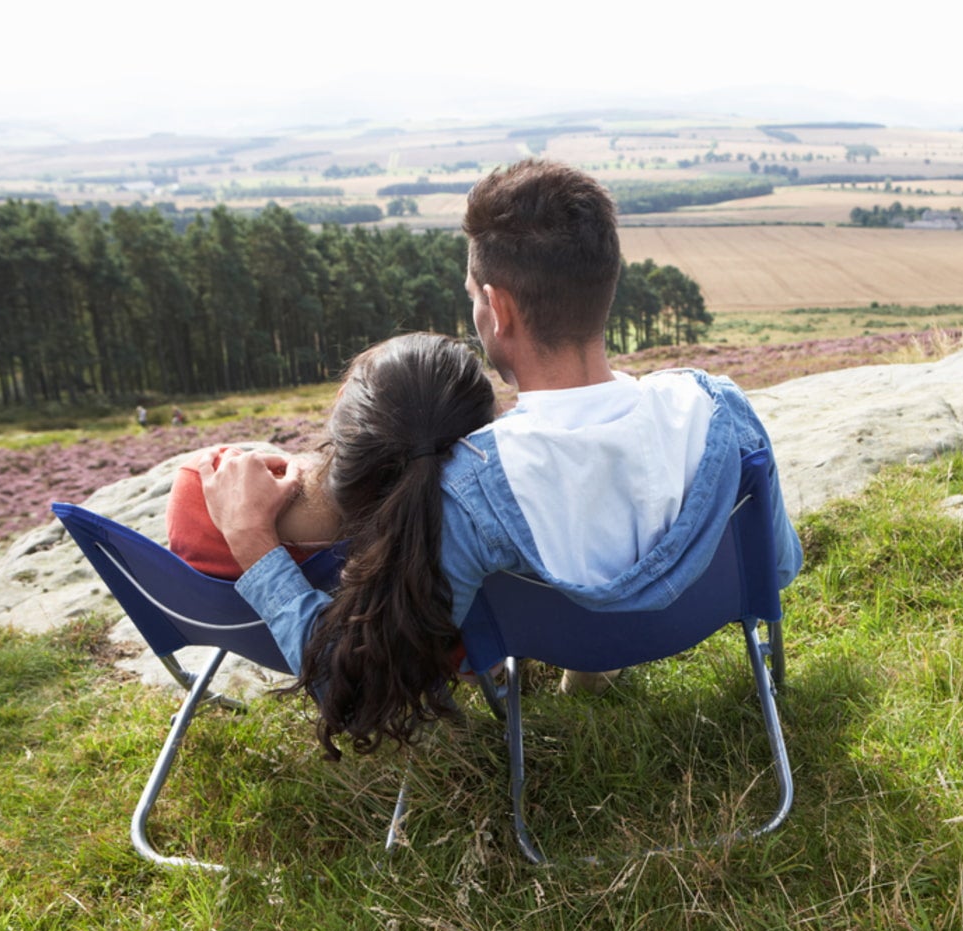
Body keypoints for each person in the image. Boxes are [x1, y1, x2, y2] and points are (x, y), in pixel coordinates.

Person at [205, 158, 802, 754]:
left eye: (472, 297)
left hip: (572, 646)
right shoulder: (718, 405)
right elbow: (775, 566)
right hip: (693, 628)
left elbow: (355, 692)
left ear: (498, 307)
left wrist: (252, 539)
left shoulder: (470, 489)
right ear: (605, 281)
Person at [187, 333, 496, 759]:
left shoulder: (197, 488)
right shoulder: (448, 566)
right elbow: (483, 668)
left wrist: (253, 539)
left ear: (343, 417)